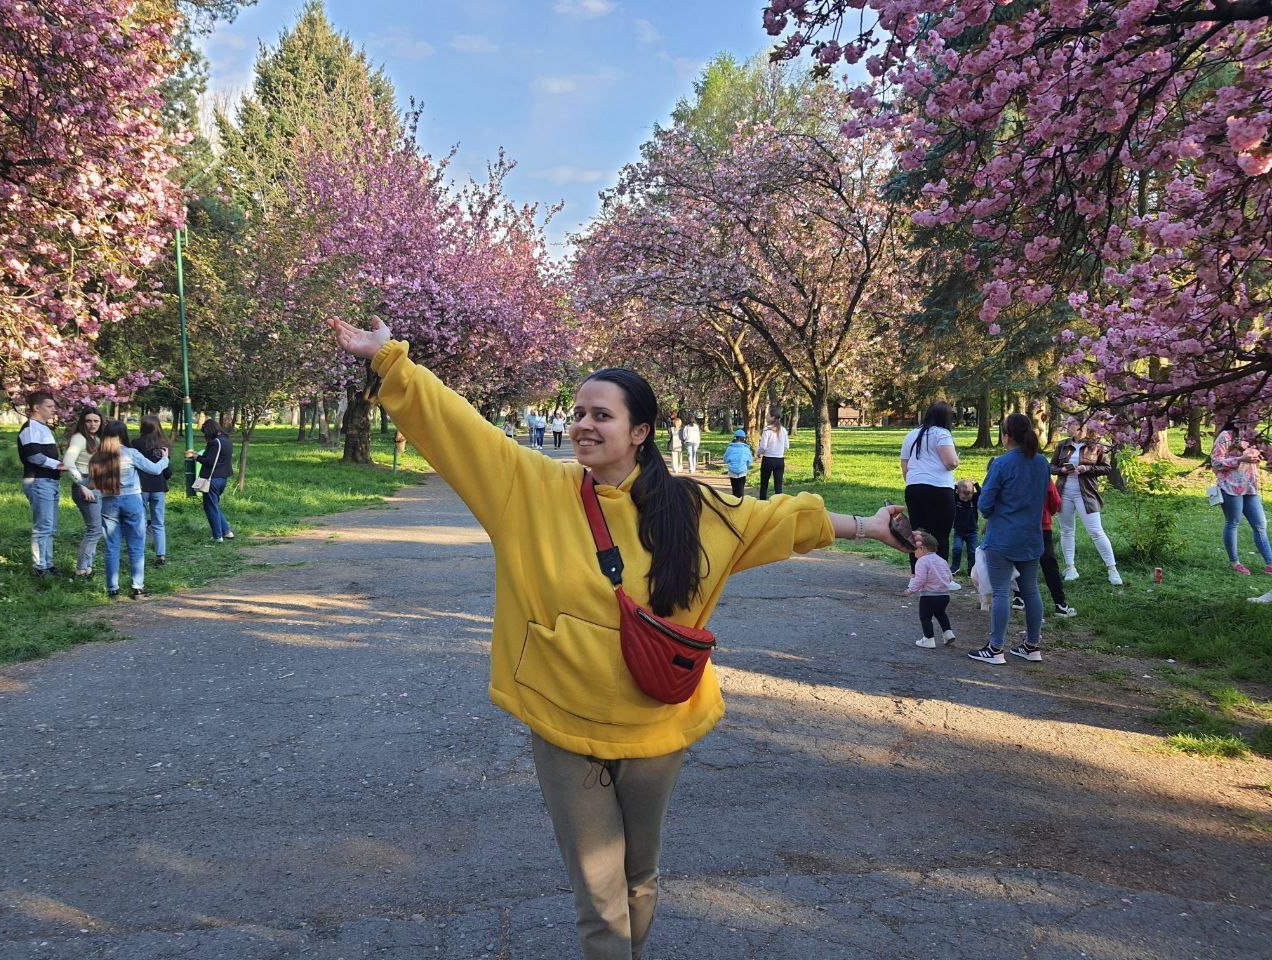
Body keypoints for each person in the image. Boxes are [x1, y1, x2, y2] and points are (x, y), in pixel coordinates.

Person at [331, 316, 911, 960]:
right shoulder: (529, 488)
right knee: (601, 896)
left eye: (600, 415)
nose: (582, 423)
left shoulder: (694, 510)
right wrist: (391, 361)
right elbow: (456, 430)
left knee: (640, 876)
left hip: (654, 726)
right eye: (578, 411)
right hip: (564, 725)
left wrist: (868, 526)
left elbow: (784, 520)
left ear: (639, 433)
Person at [969, 413, 1050, 665]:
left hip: (1002, 536)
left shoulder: (1001, 464)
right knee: (1031, 590)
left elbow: (984, 504)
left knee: (1002, 591)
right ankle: (1032, 645)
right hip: (1032, 536)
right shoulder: (1042, 463)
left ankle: (995, 649)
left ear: (1006, 436)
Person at [88, 421, 168, 599]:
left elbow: (92, 484)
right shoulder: (130, 453)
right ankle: (137, 588)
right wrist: (165, 458)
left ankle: (112, 589)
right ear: (123, 434)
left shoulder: (98, 457)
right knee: (136, 545)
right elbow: (154, 470)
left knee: (111, 547)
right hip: (132, 500)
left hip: (108, 502)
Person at [1051, 418, 1123, 585]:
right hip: (1064, 492)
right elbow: (1051, 466)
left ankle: (1112, 569)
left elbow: (1106, 468)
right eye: (1067, 424)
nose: (1068, 426)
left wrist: (1087, 468)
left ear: (1082, 427)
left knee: (1096, 531)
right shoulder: (1062, 445)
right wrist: (1061, 469)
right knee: (1066, 531)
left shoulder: (1096, 446)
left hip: (1086, 494)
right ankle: (1070, 568)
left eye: (1071, 424)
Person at [900, 401, 959, 571]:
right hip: (939, 488)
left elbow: (905, 465)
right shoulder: (942, 433)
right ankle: (939, 576)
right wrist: (957, 460)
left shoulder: (911, 435)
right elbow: (951, 462)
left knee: (917, 533)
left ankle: (917, 573)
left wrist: (912, 481)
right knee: (940, 533)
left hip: (914, 487)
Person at [16, 389, 69, 576]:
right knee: (43, 526)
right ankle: (40, 568)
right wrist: (59, 465)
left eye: (54, 406)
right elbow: (34, 457)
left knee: (50, 526)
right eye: (49, 406)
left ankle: (48, 565)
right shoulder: (30, 428)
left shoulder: (44, 428)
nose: (53, 410)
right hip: (38, 481)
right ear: (36, 408)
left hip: (50, 481)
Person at [1211, 413, 1272, 575]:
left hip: (1250, 487)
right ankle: (1235, 562)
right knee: (1233, 523)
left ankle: (1270, 563)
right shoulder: (1226, 436)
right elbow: (1216, 462)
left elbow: (1255, 457)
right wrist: (1240, 459)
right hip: (1231, 487)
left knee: (1260, 523)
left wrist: (1256, 459)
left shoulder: (1252, 437)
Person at [1011, 478, 1077, 618]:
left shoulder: (1013, 471)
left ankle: (1018, 597)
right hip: (1042, 524)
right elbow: (1056, 501)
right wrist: (1047, 512)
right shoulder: (1042, 473)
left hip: (1019, 525)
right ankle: (1060, 604)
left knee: (1020, 561)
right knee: (1049, 565)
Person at [62, 406, 106, 579]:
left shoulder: (97, 438)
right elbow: (67, 462)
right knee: (95, 530)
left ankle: (88, 567)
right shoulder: (80, 438)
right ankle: (81, 569)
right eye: (88, 421)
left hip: (96, 483)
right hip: (85, 484)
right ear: (83, 422)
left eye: (96, 421)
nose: (92, 424)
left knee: (97, 529)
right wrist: (81, 485)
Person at [905, 529, 956, 648]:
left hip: (929, 596)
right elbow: (949, 576)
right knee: (941, 614)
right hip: (944, 595)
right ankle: (948, 633)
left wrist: (910, 590)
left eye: (915, 550)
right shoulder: (942, 560)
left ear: (922, 548)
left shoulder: (922, 561)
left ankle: (928, 639)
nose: (914, 553)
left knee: (925, 617)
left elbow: (920, 579)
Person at [133, 416, 173, 566]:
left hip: (141, 487)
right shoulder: (164, 445)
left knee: (141, 523)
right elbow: (167, 470)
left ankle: (139, 554)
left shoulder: (136, 444)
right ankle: (161, 555)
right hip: (159, 488)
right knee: (158, 523)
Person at [186, 419, 234, 542]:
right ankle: (227, 531)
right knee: (215, 505)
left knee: (210, 507)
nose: (205, 436)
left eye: (205, 433)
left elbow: (209, 462)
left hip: (212, 479)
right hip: (223, 478)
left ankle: (217, 536)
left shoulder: (215, 443)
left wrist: (196, 457)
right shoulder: (227, 440)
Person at [950, 478, 980, 577]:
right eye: (964, 495)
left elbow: (981, 494)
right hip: (959, 531)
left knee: (972, 551)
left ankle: (971, 570)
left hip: (972, 531)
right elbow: (951, 494)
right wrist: (955, 486)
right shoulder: (956, 500)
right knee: (957, 549)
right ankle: (955, 568)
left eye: (969, 494)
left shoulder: (974, 500)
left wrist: (976, 485)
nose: (967, 498)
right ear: (958, 493)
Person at [757, 413, 789, 499]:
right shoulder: (783, 430)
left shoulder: (767, 430)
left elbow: (763, 447)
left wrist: (758, 453)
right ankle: (779, 505)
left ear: (773, 417)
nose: (766, 416)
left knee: (764, 484)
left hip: (768, 459)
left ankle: (762, 503)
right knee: (778, 486)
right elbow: (787, 446)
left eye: (768, 415)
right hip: (780, 460)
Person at [722, 429, 754, 497]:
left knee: (734, 488)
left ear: (735, 438)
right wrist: (746, 465)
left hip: (732, 472)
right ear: (744, 439)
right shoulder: (746, 449)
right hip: (742, 472)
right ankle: (740, 502)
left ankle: (734, 501)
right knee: (741, 489)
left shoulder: (730, 448)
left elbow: (725, 459)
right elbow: (750, 461)